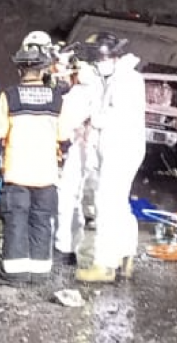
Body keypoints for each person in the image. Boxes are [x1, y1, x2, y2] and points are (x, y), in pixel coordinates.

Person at [0, 42, 69, 285]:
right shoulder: (57, 99)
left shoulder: (10, 96)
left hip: (17, 173)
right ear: (44, 69)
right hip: (46, 175)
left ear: (19, 70)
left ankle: (14, 273)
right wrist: (61, 164)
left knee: (16, 222)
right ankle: (40, 272)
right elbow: (64, 137)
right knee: (42, 222)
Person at [74, 32, 146, 283]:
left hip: (121, 148)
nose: (95, 65)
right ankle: (126, 255)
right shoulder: (120, 77)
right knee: (119, 204)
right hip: (120, 147)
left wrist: (93, 117)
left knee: (106, 204)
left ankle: (105, 265)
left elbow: (115, 115)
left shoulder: (126, 80)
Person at [53, 60, 100, 265]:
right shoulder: (98, 88)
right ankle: (75, 248)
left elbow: (65, 126)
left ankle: (64, 249)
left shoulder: (77, 95)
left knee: (67, 199)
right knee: (83, 201)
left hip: (78, 151)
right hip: (92, 153)